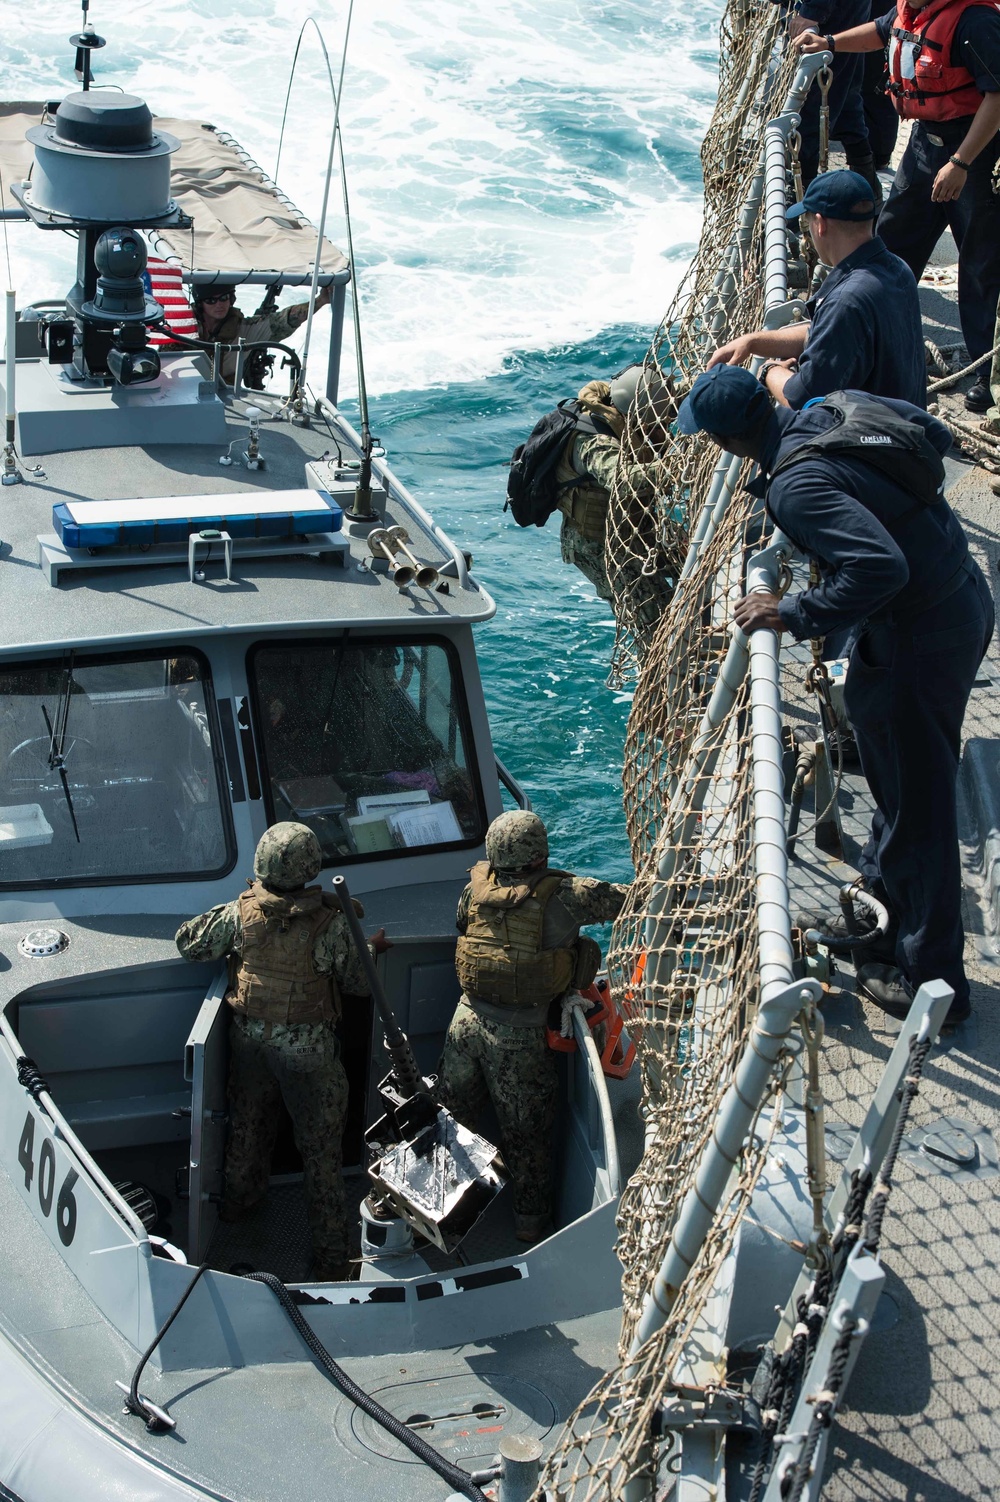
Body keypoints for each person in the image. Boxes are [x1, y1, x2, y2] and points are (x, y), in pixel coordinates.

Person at [676, 365, 993, 1027]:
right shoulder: (830, 407)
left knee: (919, 807)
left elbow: (881, 566)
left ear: (730, 445)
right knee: (897, 776)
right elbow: (931, 434)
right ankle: (884, 906)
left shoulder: (794, 486)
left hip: (920, 635)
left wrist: (792, 610)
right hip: (956, 596)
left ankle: (934, 983)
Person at [175, 821, 389, 1280]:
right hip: (309, 1053)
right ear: (311, 866)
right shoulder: (332, 925)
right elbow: (357, 984)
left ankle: (237, 1208)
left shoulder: (240, 914)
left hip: (250, 1043)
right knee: (322, 1154)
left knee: (248, 1128)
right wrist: (370, 951)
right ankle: (332, 1258)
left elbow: (188, 943)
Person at [798, 0, 1000, 412]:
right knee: (889, 243)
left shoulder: (976, 22)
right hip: (926, 144)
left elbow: (997, 96)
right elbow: (882, 30)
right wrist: (830, 42)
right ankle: (862, 337)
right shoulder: (914, 9)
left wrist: (961, 164)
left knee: (981, 264)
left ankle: (984, 374)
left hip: (973, 154)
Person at [436, 811, 629, 1242]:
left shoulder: (475, 889)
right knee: (527, 1135)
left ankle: (437, 1208)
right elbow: (630, 901)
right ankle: (529, 1226)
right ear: (540, 852)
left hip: (465, 1023)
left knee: (451, 1118)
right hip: (517, 1038)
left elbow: (461, 927)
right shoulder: (565, 896)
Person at [708, 171, 926, 408]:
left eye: (807, 222)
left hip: (871, 440)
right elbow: (825, 332)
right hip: (906, 428)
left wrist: (768, 370)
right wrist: (753, 342)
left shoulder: (847, 301)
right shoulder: (897, 269)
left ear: (820, 224)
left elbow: (802, 398)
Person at [553, 365, 677, 604]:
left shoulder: (627, 399)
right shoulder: (593, 440)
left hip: (635, 525)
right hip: (599, 545)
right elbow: (621, 480)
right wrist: (675, 467)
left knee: (691, 557)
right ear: (636, 417)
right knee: (654, 611)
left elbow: (669, 395)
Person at [789, 0, 882, 194]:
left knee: (810, 106)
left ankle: (801, 198)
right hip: (842, 11)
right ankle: (869, 188)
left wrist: (812, 12)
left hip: (832, 13)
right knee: (846, 96)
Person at [193, 283, 331, 385]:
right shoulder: (184, 327)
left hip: (226, 397)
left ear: (231, 299)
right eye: (211, 300)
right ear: (200, 304)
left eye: (224, 298)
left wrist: (320, 301)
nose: (219, 304)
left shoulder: (245, 330)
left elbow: (284, 320)